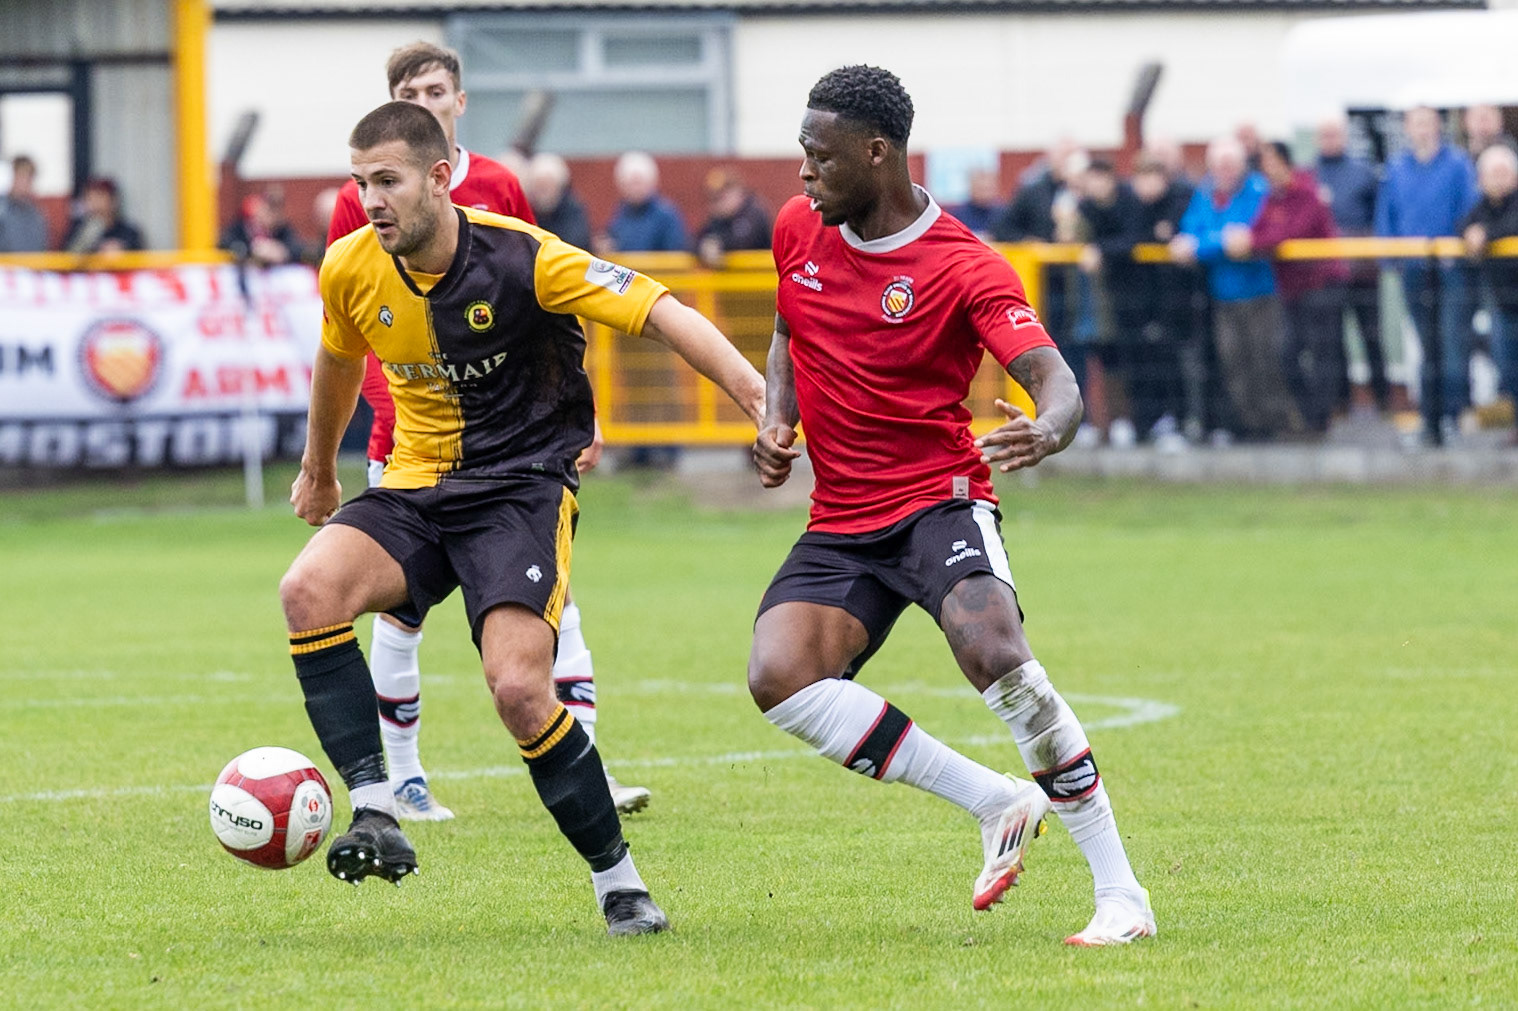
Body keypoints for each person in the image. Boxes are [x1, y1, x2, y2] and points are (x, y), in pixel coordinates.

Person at [287, 101, 765, 931]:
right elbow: (337, 359)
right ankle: (376, 809)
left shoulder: (526, 258)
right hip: (415, 485)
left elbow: (661, 310)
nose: (371, 201)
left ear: (441, 177)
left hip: (519, 489)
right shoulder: (350, 266)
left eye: (388, 181)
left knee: (517, 688)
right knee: (307, 590)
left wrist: (754, 394)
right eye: (360, 182)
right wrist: (318, 470)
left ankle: (619, 881)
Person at [750, 65, 1154, 947]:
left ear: (876, 152)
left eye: (818, 158)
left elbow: (1055, 378)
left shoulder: (963, 265)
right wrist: (776, 418)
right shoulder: (798, 229)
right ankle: (994, 800)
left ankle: (1122, 895)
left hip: (939, 500)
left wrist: (1048, 430)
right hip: (841, 518)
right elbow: (785, 332)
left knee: (995, 652)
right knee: (778, 675)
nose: (803, 175)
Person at [326, 40, 652, 820]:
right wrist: (391, 410)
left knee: (553, 608)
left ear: (459, 103)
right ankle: (402, 776)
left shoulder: (501, 185)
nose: (427, 99)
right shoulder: (368, 198)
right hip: (413, 437)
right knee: (401, 612)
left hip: (517, 445)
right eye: (412, 90)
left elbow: (553, 292)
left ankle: (588, 765)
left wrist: (583, 406)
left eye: (438, 88)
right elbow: (360, 320)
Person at [1172, 136, 1304, 440]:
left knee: (1267, 362)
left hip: (1261, 292)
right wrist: (1216, 241)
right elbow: (1194, 230)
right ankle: (1251, 426)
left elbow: (1245, 237)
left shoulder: (1258, 189)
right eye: (1219, 165)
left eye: (1230, 164)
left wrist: (1203, 245)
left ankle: (1281, 426)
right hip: (1223, 295)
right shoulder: (1205, 192)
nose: (1225, 171)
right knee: (1234, 364)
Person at [1375, 107, 1479, 445]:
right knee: (1426, 344)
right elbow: (1386, 216)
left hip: (1450, 268)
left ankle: (1456, 412)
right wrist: (1392, 258)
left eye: (1427, 122)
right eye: (1415, 123)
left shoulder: (1458, 164)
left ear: (1438, 126)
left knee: (1452, 340)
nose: (1422, 129)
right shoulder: (1395, 168)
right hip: (1413, 269)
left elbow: (1469, 208)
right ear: (1407, 128)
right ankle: (1430, 418)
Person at [1232, 141, 1349, 433]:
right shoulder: (1272, 198)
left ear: (1286, 162)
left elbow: (1290, 233)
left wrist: (1251, 242)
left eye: (1272, 162)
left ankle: (1320, 419)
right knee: (1287, 352)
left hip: (1322, 284)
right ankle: (1309, 414)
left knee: (1322, 352)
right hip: (1291, 288)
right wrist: (1249, 238)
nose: (1267, 170)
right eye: (1263, 164)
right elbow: (1261, 230)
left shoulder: (1306, 191)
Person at [1315, 116, 1405, 415]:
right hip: (1327, 272)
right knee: (1332, 338)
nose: (1330, 140)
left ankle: (1383, 398)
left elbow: (1380, 216)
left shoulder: (1363, 171)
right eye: (1324, 134)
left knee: (1371, 334)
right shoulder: (1310, 174)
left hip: (1364, 271)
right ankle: (1340, 401)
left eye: (1334, 134)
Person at [1075, 157, 1150, 445]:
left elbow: (1132, 239)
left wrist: (1101, 250)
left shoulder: (1128, 204)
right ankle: (1101, 423)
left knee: (1125, 361)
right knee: (1096, 359)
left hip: (1127, 299)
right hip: (1092, 302)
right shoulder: (1083, 209)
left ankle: (1124, 421)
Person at [1462, 143, 1518, 443]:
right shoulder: (1482, 207)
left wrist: (1485, 233)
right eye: (1491, 173)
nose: (1498, 179)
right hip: (1504, 304)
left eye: (1503, 172)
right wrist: (1472, 231)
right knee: (1508, 368)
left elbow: (1509, 225)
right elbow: (1463, 224)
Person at [599, 152, 689, 254]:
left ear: (651, 182)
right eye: (629, 183)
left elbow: (676, 251)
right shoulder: (620, 212)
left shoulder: (667, 215)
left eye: (638, 182)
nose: (634, 189)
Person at [695, 169, 771, 268]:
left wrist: (718, 244)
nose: (718, 204)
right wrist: (704, 246)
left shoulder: (754, 212)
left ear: (737, 191)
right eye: (714, 199)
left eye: (722, 196)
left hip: (759, 276)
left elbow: (744, 241)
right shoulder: (718, 219)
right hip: (730, 279)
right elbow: (696, 240)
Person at [523, 152, 593, 251]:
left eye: (547, 185)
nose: (542, 191)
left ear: (559, 185)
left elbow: (575, 244)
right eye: (538, 185)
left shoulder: (573, 211)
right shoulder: (528, 211)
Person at [221, 189, 303, 267]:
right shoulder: (241, 227)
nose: (272, 215)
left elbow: (298, 249)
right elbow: (225, 243)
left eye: (276, 211)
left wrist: (282, 251)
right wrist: (251, 249)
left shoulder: (282, 230)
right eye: (269, 210)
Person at [61, 176, 144, 254]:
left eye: (99, 196)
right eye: (89, 197)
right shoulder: (79, 228)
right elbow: (66, 257)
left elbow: (141, 258)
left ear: (113, 200)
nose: (94, 202)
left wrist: (122, 250)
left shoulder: (128, 231)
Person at [0, 155, 50, 252]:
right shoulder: (2, 210)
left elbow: (41, 248)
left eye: (29, 178)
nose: (25, 183)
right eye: (20, 177)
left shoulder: (37, 214)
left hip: (31, 265)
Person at [947, 168, 1002, 239]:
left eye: (987, 188)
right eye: (981, 188)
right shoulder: (957, 216)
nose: (984, 193)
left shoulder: (1004, 215)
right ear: (971, 187)